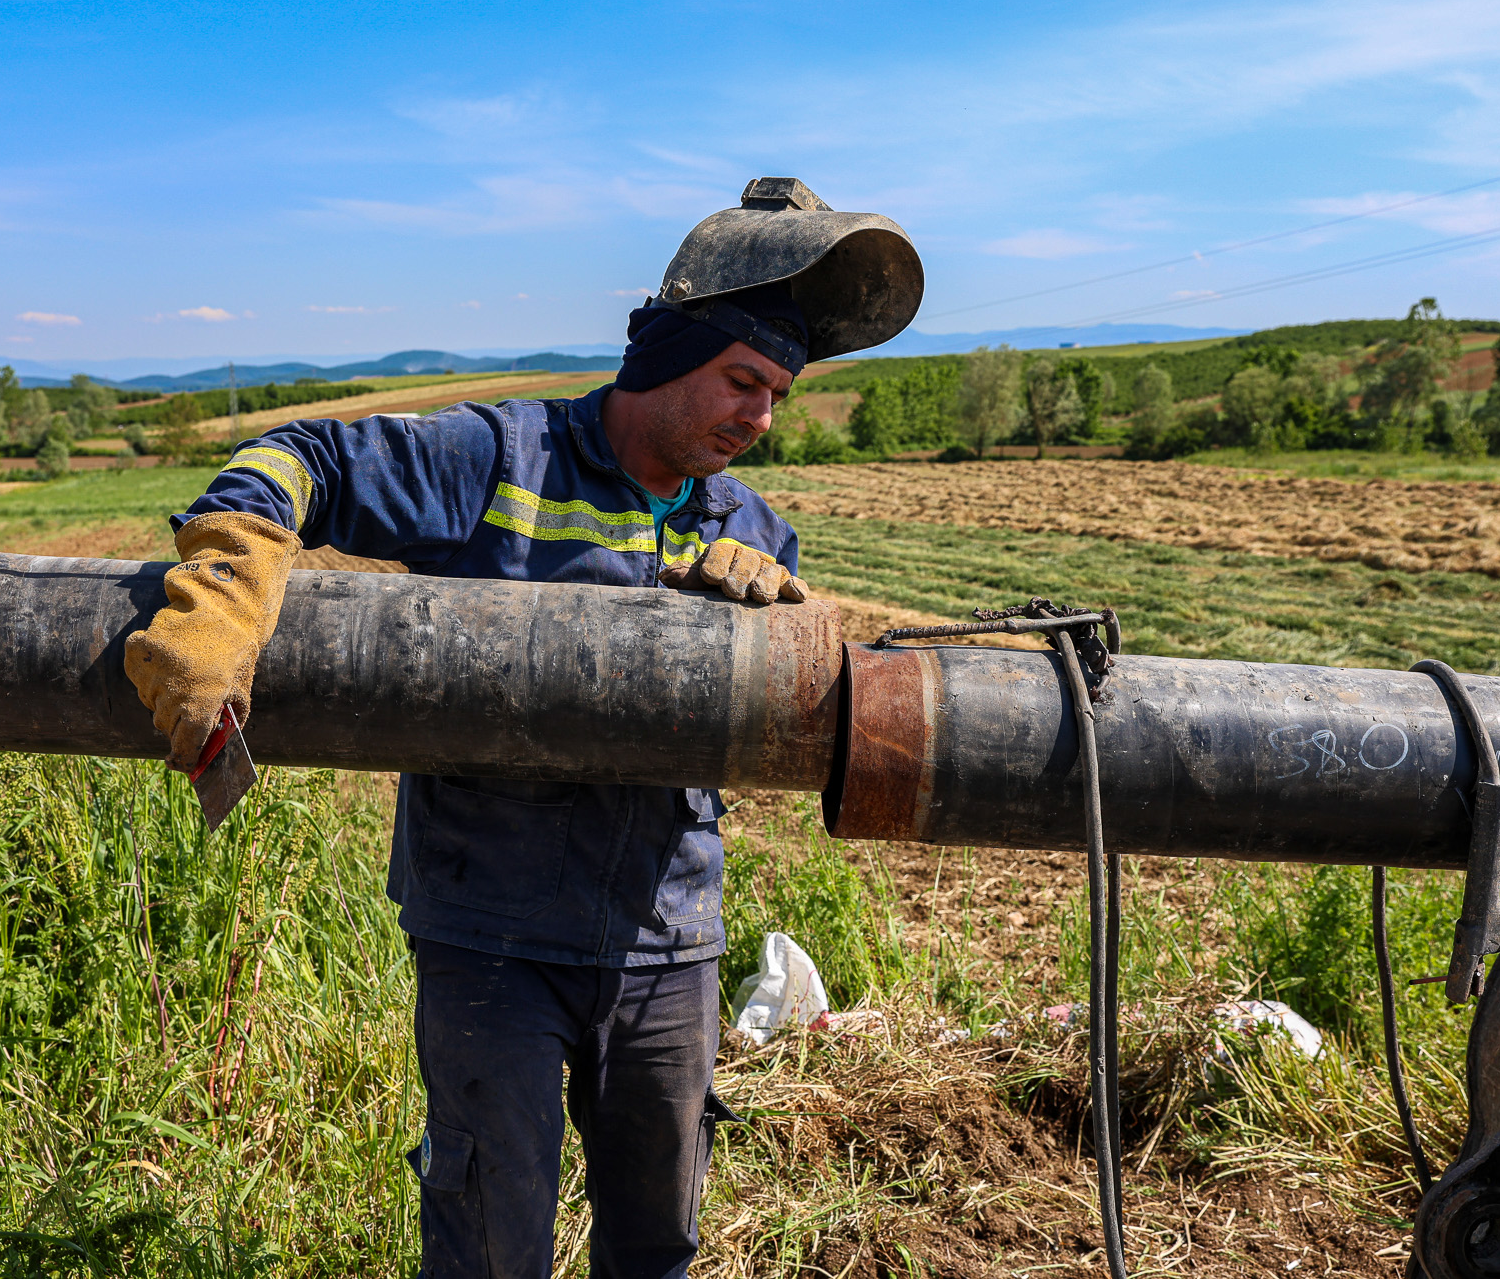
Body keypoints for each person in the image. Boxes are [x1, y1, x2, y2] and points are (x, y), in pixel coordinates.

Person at [123, 178, 921, 1279]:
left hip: (668, 934)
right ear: (663, 359)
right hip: (489, 932)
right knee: (491, 1240)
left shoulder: (752, 526)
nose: (760, 418)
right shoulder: (499, 461)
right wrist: (226, 581)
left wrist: (769, 615)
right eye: (742, 382)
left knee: (659, 1238)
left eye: (777, 395)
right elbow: (298, 456)